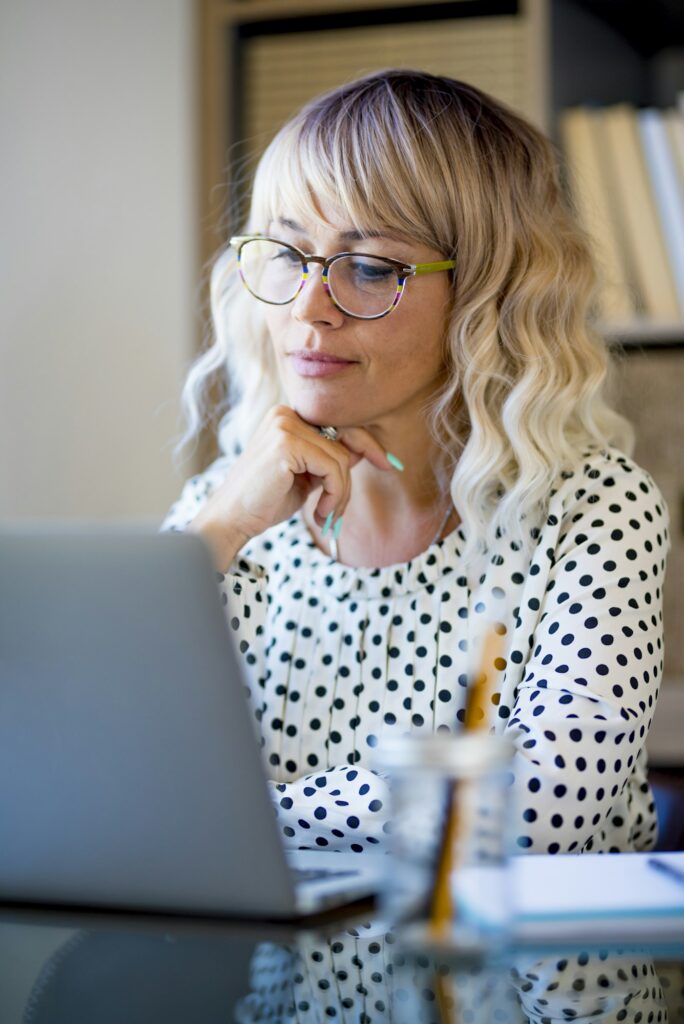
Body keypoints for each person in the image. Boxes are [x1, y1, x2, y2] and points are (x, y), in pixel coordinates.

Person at [161, 69, 670, 855]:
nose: (307, 308)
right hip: (266, 978)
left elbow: (541, 806)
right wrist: (219, 532)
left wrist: (241, 820)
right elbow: (104, 771)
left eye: (369, 269)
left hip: (523, 979)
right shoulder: (222, 509)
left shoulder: (595, 511)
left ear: (485, 298)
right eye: (290, 255)